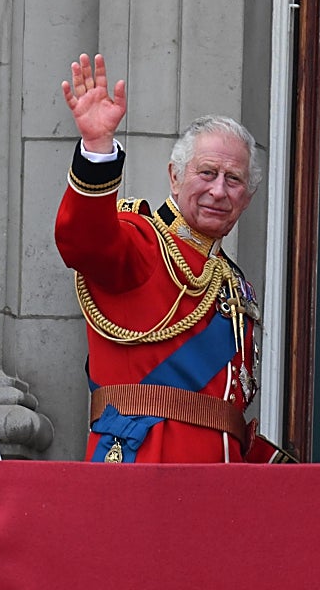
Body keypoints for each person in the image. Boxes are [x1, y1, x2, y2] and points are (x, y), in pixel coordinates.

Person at [54, 53, 290, 464]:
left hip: (218, 480)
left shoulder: (232, 282)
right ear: (175, 176)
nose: (219, 191)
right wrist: (97, 149)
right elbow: (84, 241)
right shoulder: (142, 242)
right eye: (207, 173)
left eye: (233, 180)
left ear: (248, 198)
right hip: (146, 465)